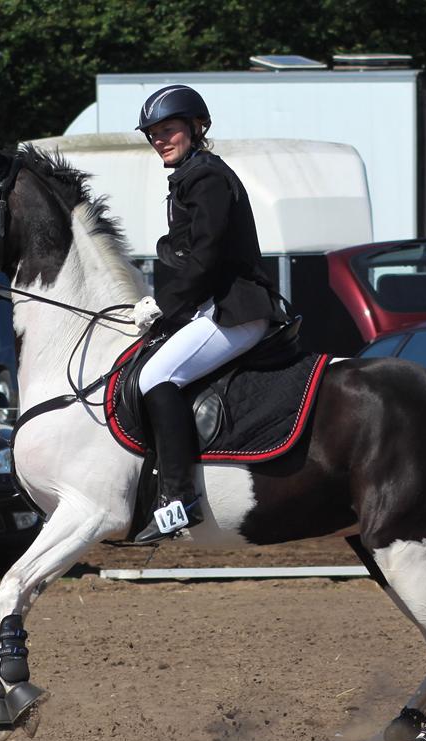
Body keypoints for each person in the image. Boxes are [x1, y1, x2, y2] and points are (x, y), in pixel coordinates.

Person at [130, 84, 288, 543]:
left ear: (197, 128)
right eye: (153, 134)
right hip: (211, 309)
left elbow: (207, 257)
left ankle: (179, 500)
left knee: (155, 378)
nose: (161, 139)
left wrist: (163, 305)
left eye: (169, 129)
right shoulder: (190, 176)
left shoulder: (206, 178)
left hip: (235, 311)